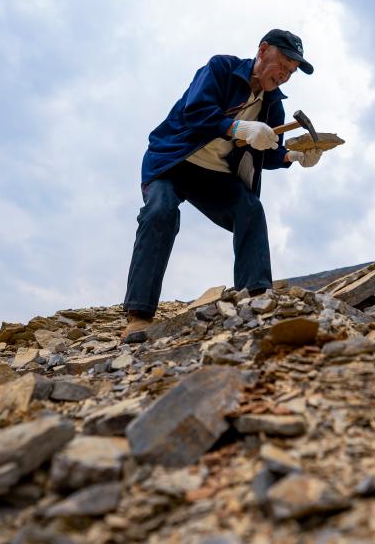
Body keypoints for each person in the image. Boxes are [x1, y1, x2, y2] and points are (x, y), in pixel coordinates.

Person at [120, 29, 323, 343]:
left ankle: (256, 300)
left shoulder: (272, 107)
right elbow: (195, 114)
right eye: (283, 62)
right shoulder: (221, 69)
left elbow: (267, 153)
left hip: (213, 176)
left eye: (291, 71)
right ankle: (139, 316)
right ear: (263, 49)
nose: (284, 74)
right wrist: (239, 127)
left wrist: (293, 156)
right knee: (160, 212)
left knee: (250, 210)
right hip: (171, 162)